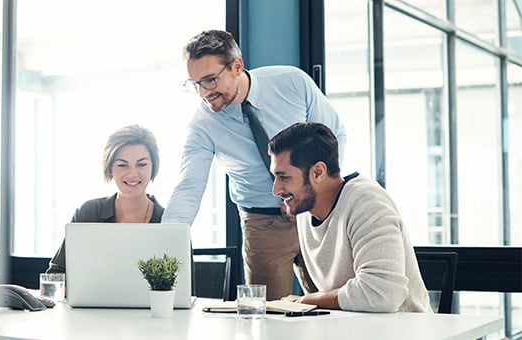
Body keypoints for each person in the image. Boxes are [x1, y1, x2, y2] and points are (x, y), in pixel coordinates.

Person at [162, 30, 347, 300]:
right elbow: (189, 185)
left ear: (237, 66)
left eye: (210, 80)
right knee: (268, 314)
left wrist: (315, 195)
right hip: (263, 223)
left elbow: (334, 136)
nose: (204, 93)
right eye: (196, 84)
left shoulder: (292, 83)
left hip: (316, 213)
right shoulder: (202, 124)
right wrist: (168, 238)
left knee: (332, 304)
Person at [269, 122, 432, 312]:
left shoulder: (367, 202)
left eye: (283, 177)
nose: (276, 190)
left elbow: (383, 294)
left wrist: (310, 300)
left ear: (318, 172)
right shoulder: (305, 210)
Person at [46, 124, 164, 273]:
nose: (133, 173)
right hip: (90, 297)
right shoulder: (89, 213)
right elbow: (57, 274)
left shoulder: (168, 221)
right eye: (122, 165)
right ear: (110, 168)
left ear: (153, 167)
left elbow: (184, 287)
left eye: (141, 164)